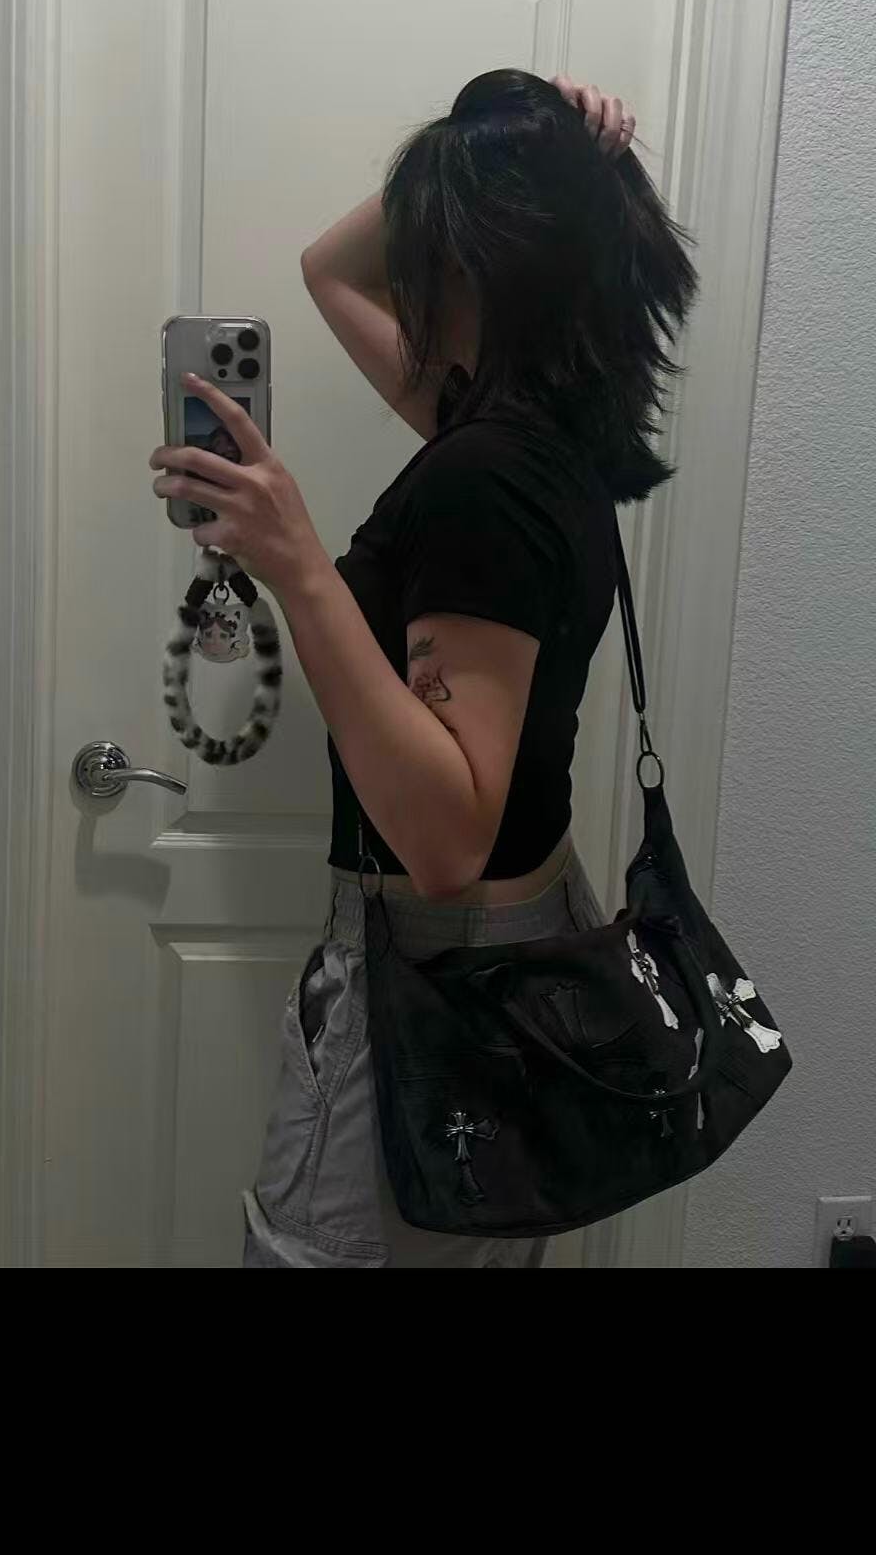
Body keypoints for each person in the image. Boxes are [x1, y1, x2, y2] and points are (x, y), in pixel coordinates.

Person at [150, 69, 699, 1268]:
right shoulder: (542, 442)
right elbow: (328, 270)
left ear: (479, 261)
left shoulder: (480, 476)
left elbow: (448, 836)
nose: (407, 262)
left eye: (435, 235)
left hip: (434, 973)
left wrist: (298, 563)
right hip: (515, 956)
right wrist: (518, 130)